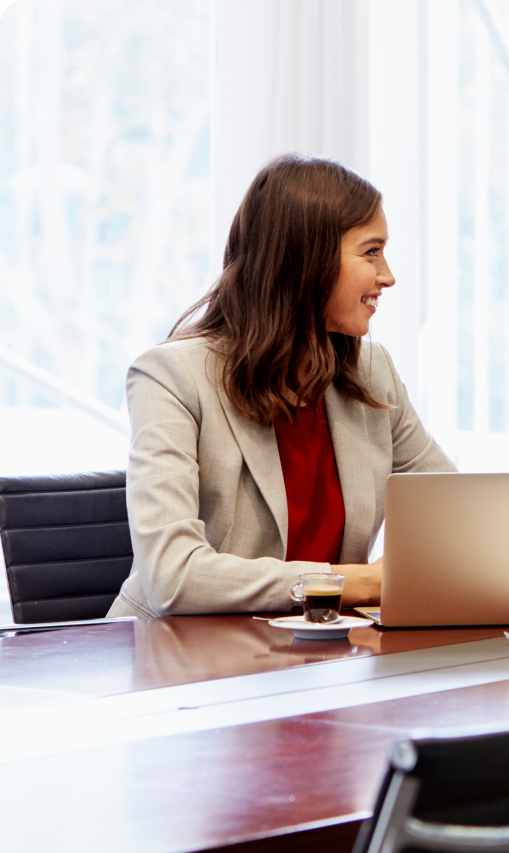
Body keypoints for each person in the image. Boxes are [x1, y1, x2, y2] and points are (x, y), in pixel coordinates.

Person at [108, 154, 454, 618]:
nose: (387, 276)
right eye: (371, 252)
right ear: (306, 261)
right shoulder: (172, 377)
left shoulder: (372, 371)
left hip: (317, 656)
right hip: (173, 661)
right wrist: (355, 581)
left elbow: (457, 512)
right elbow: (174, 575)